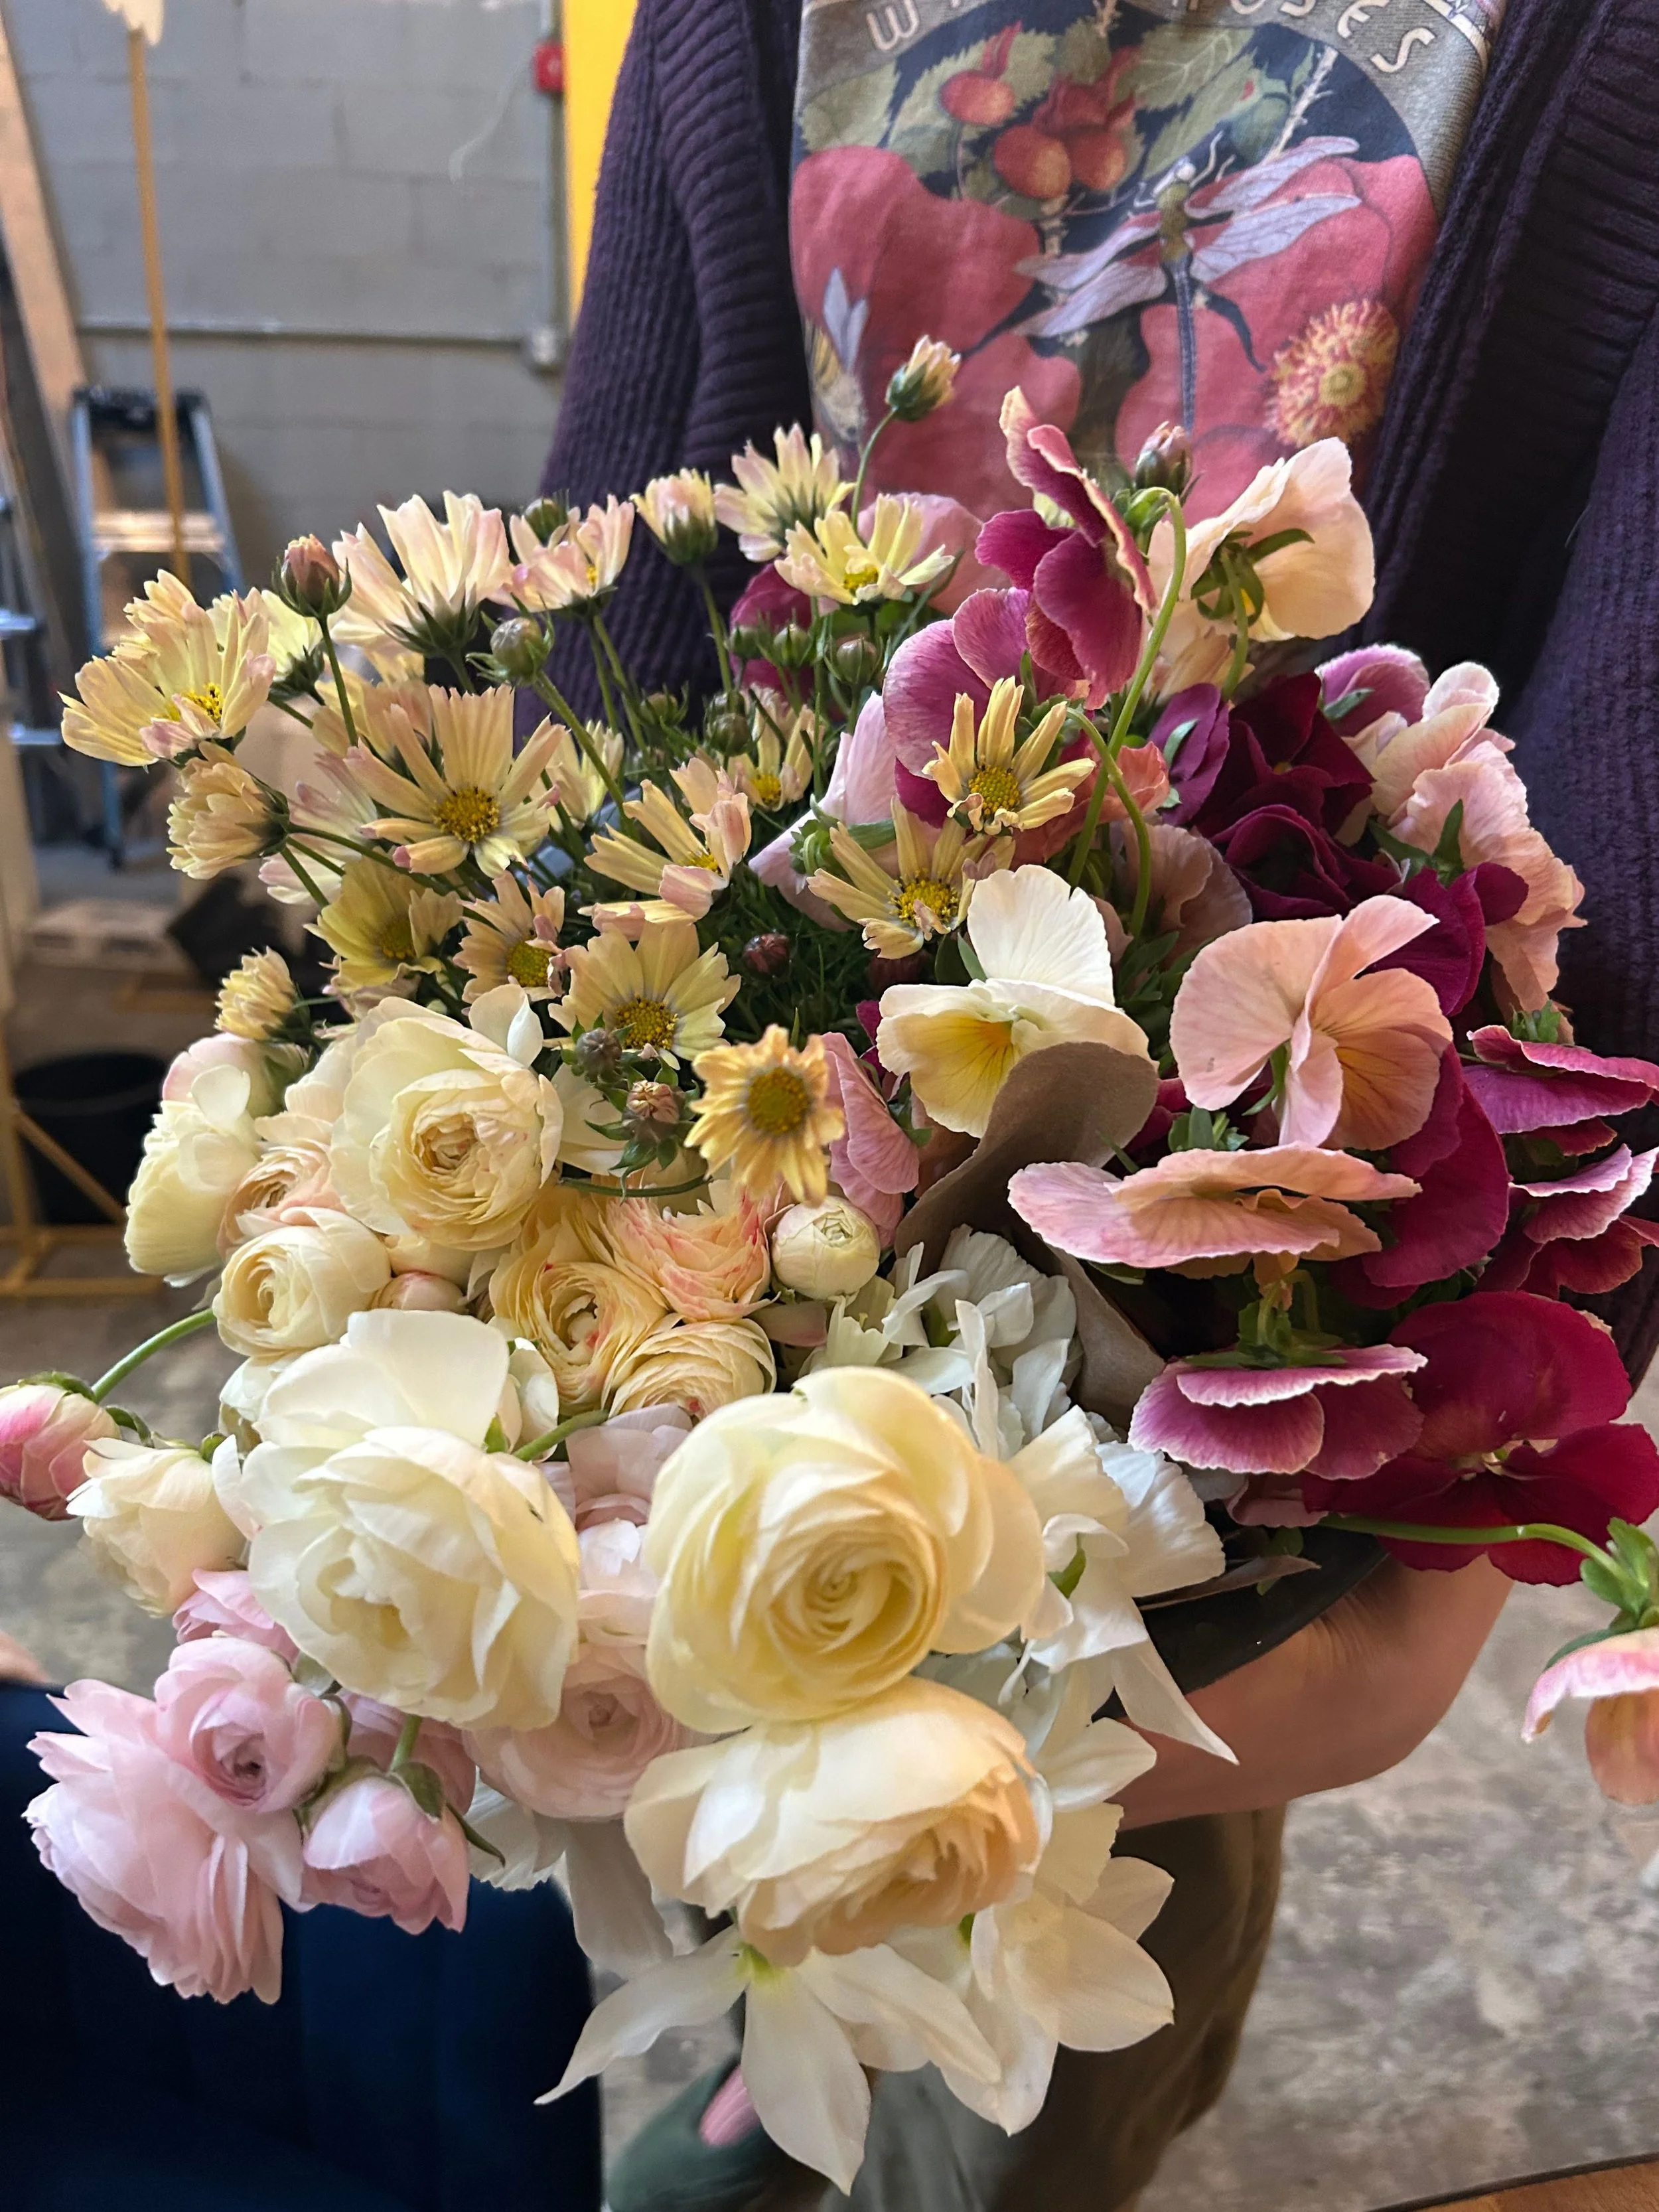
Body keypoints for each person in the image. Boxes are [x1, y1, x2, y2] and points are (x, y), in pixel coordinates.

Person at [542, 0, 1659, 2203]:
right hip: (750, 1115)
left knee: (1029, 2030)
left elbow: (1631, 793)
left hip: (1269, 1216)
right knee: (673, 1922)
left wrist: (1482, 1436)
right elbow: (620, 583)